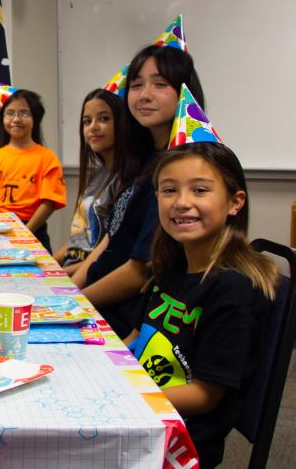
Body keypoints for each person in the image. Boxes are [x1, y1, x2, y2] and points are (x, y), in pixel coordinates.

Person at [125, 142, 275, 468]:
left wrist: (121, 396)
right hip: (140, 411)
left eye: (200, 190)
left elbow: (204, 397)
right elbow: (135, 338)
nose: (182, 202)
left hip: (176, 443)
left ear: (235, 203)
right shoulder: (170, 271)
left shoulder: (233, 290)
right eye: (169, 190)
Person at [74, 43, 205, 337]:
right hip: (101, 301)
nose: (144, 95)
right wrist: (71, 291)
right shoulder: (143, 160)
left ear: (185, 91)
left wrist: (74, 304)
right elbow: (111, 240)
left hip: (126, 316)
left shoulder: (180, 170)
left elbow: (140, 272)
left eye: (160, 84)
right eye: (136, 85)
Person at [56, 89, 148, 272]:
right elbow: (78, 239)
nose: (93, 127)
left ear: (122, 124)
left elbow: (109, 254)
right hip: (70, 269)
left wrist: (59, 274)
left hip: (91, 276)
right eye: (87, 121)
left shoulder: (130, 180)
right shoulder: (96, 174)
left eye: (104, 119)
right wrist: (46, 265)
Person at [0, 89, 66, 251]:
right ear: (2, 118)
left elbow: (49, 201)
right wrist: (4, 228)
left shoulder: (47, 158)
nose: (16, 119)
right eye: (10, 113)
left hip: (34, 230)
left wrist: (25, 232)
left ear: (35, 118)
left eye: (24, 113)